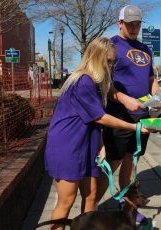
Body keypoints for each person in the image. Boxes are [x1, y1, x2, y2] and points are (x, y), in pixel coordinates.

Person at [44, 37, 149, 230]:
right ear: (95, 58)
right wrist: (134, 127)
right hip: (67, 146)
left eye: (112, 62)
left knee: (91, 195)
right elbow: (99, 117)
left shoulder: (96, 83)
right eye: (107, 61)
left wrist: (100, 144)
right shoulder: (82, 81)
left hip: (87, 145)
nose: (110, 66)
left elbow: (91, 120)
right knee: (66, 201)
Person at [96, 5, 161, 224]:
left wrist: (157, 95)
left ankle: (126, 209)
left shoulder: (146, 49)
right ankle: (91, 208)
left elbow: (151, 79)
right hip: (118, 116)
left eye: (138, 24)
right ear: (120, 23)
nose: (134, 28)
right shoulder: (110, 45)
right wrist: (123, 99)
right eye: (130, 23)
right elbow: (102, 82)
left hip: (142, 116)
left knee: (131, 163)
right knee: (111, 163)